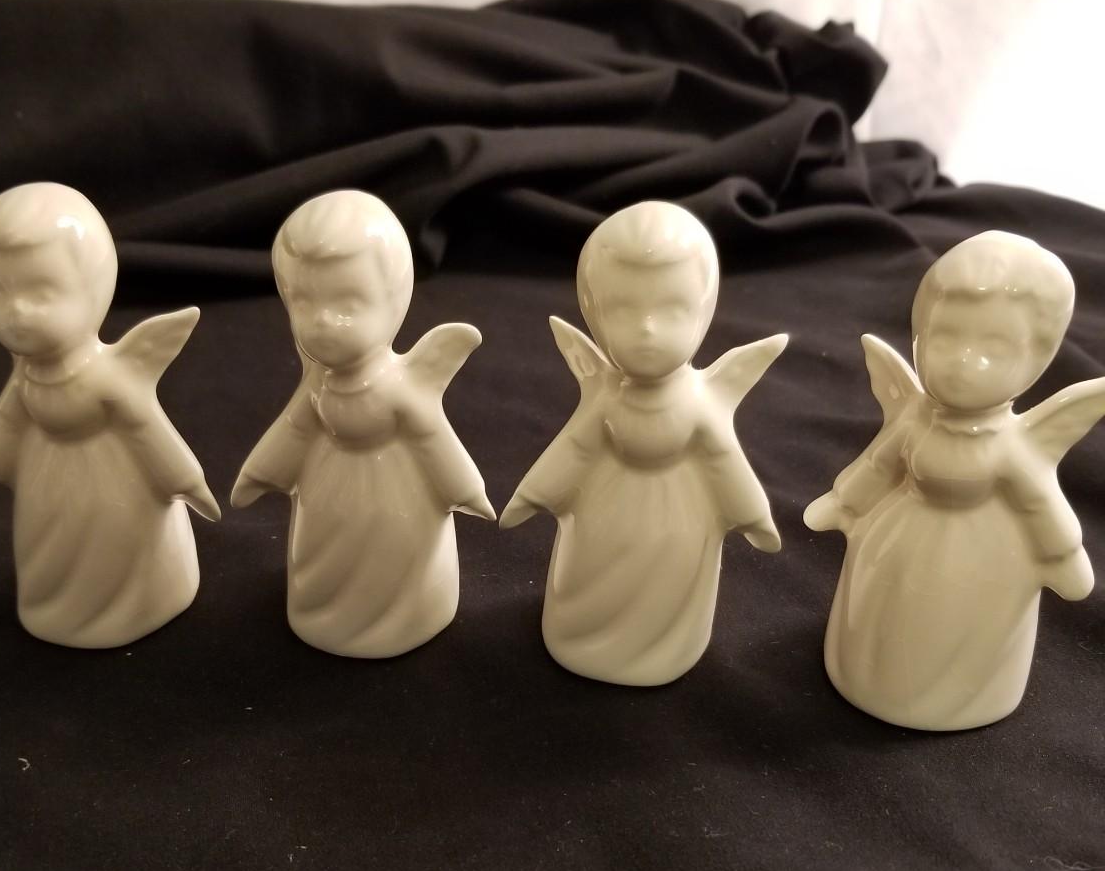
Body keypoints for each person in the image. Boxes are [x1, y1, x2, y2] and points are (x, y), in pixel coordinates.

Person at [805, 230, 1105, 730]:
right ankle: (870, 675)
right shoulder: (914, 420)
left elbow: (1039, 504)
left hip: (982, 561)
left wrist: (1062, 556)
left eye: (995, 348)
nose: (965, 363)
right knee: (883, 610)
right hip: (899, 541)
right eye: (946, 339)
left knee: (956, 624)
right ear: (918, 336)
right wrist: (844, 502)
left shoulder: (1011, 448)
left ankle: (952, 697)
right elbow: (879, 464)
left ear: (1038, 360)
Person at [500, 200, 786, 686]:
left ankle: (663, 649)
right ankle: (580, 637)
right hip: (603, 519)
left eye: (671, 311)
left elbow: (724, 460)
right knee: (588, 579)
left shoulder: (698, 405)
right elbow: (575, 449)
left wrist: (753, 516)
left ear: (703, 313)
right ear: (592, 314)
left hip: (678, 526)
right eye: (622, 310)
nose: (647, 330)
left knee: (667, 591)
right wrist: (533, 495)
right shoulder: (607, 400)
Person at [0, 182, 219, 647]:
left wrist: (187, 481)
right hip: (48, 490)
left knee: (117, 552)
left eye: (40, 292)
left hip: (116, 493)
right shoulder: (26, 374)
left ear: (93, 290)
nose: (15, 312)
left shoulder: (107, 377)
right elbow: (6, 422)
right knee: (48, 552)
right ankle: (59, 610)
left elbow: (147, 429)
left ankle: (138, 605)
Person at [231, 189, 494, 657]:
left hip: (397, 501)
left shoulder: (401, 389)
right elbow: (293, 430)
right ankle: (324, 615)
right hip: (327, 498)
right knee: (321, 559)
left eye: (347, 305)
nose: (322, 322)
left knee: (395, 563)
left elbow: (433, 438)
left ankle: (407, 616)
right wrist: (259, 473)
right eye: (304, 303)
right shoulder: (318, 385)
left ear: (394, 302)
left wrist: (465, 491)